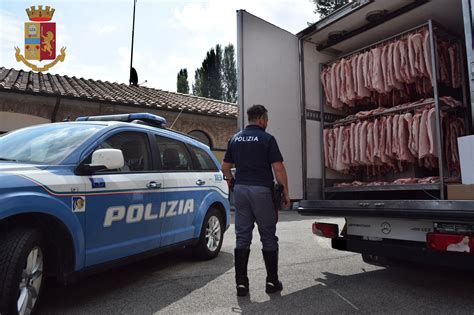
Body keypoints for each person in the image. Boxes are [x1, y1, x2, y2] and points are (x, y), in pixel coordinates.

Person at [221, 104, 290, 297]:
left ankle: (241, 284)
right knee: (268, 236)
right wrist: (285, 192)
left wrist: (233, 183)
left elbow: (225, 168)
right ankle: (271, 281)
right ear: (260, 119)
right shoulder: (267, 139)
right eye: (266, 120)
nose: (267, 123)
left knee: (242, 236)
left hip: (241, 191)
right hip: (261, 191)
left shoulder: (234, 139)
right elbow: (278, 168)